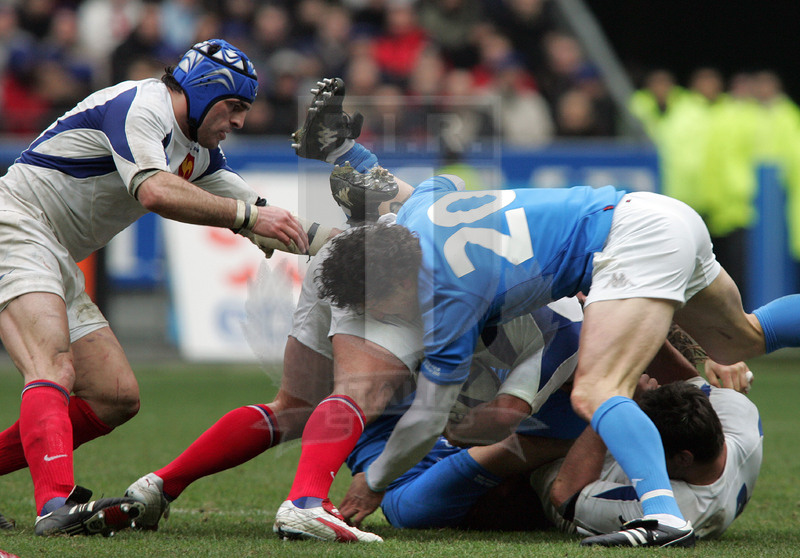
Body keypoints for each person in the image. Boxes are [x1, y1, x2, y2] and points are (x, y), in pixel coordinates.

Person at [312, 75, 800, 546]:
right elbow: (436, 183)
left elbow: (427, 419)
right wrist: (347, 153)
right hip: (657, 212)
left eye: (382, 306)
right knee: (744, 338)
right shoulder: (419, 216)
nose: (391, 317)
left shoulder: (450, 299)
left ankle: (663, 515)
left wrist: (374, 482)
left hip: (626, 243)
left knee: (598, 390)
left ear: (398, 280)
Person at [0, 38, 319, 536]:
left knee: (114, 396)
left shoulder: (199, 151)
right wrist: (247, 217)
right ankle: (54, 507)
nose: (240, 121)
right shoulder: (142, 105)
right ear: (203, 91)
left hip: (53, 250)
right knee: (52, 365)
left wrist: (369, 242)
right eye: (234, 106)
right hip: (15, 224)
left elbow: (271, 220)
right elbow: (154, 189)